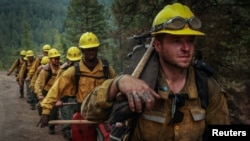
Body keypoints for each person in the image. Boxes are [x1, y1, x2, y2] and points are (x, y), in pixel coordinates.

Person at [81, 3, 230, 141]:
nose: (186, 48)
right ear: (157, 45)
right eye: (176, 41)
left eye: (190, 40)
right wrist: (118, 83)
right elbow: (88, 112)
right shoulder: (138, 80)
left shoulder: (206, 87)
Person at [36, 32, 116, 140]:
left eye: (93, 48)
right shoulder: (74, 71)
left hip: (104, 114)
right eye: (87, 49)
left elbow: (116, 86)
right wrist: (46, 111)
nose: (91, 52)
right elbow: (56, 89)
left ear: (97, 49)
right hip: (84, 114)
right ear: (82, 51)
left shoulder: (106, 69)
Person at [34, 48, 61, 135]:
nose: (57, 60)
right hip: (47, 92)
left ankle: (51, 125)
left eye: (58, 58)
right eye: (54, 58)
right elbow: (38, 84)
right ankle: (51, 126)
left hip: (57, 92)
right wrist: (39, 94)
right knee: (49, 109)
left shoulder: (62, 69)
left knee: (54, 110)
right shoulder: (45, 71)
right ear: (50, 59)